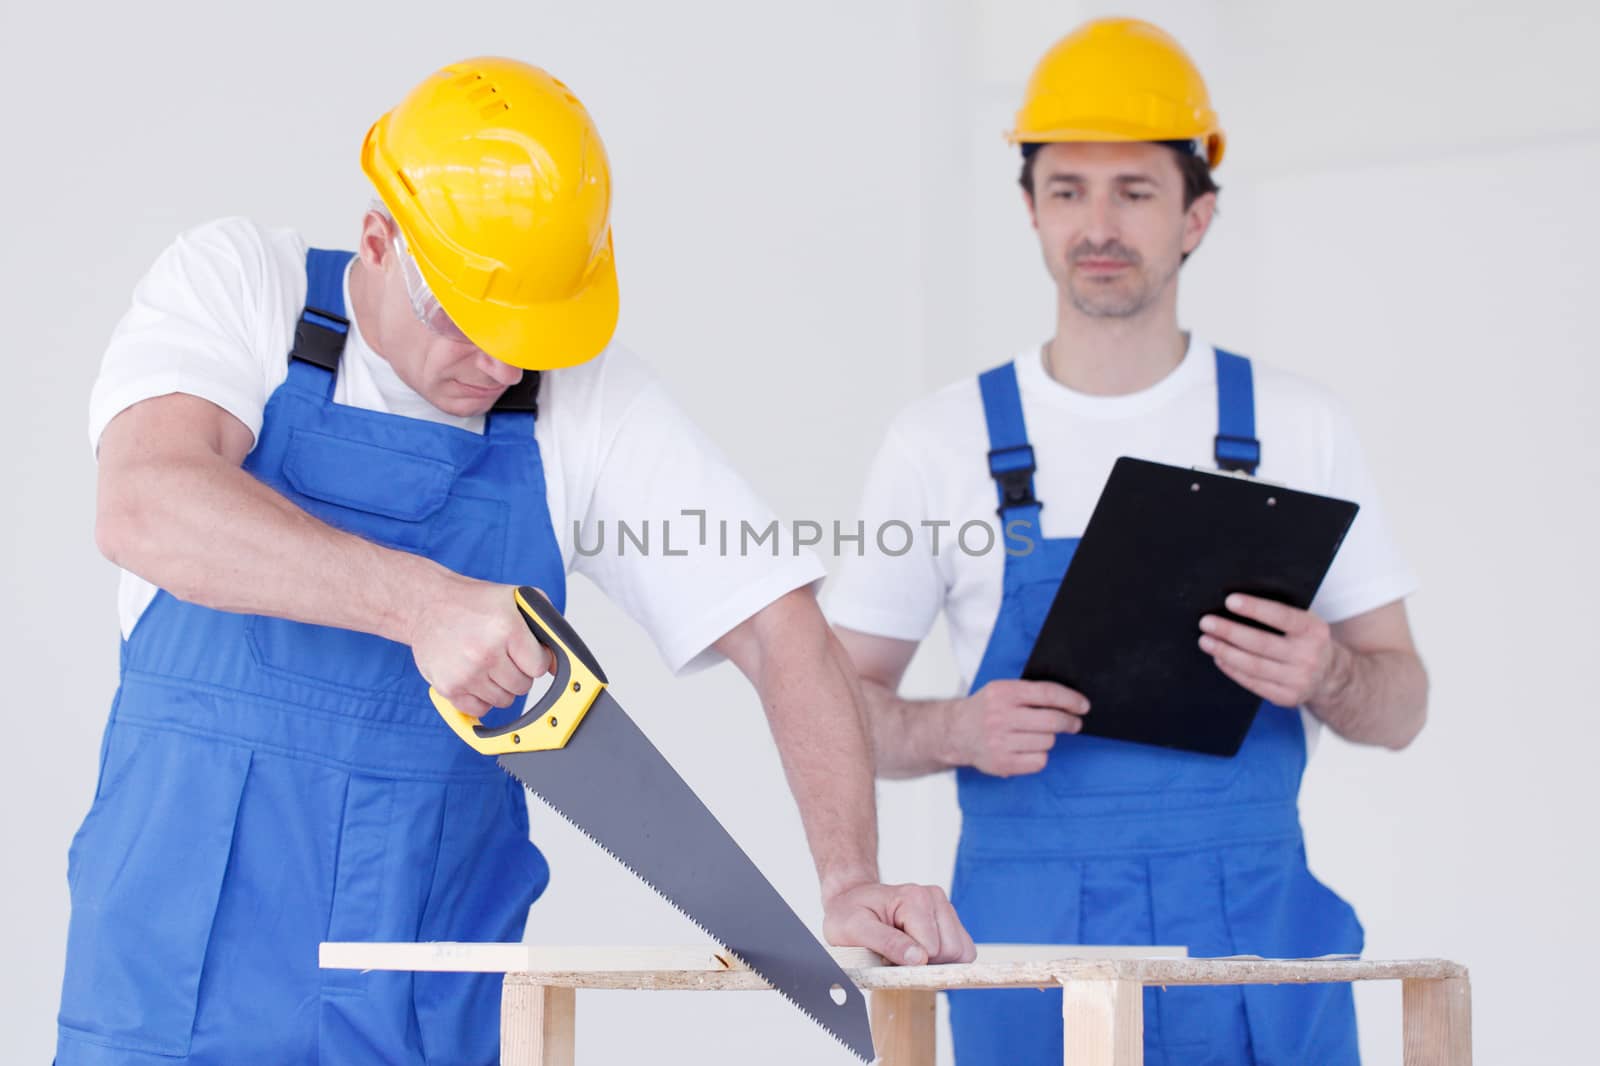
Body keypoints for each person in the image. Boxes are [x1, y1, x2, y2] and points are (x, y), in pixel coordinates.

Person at [58, 57, 972, 1066]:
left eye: (527, 340)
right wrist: (422, 605)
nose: (498, 368)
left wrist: (846, 878)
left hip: (428, 987)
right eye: (468, 324)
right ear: (380, 240)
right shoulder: (241, 289)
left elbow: (778, 623)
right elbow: (146, 503)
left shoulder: (583, 403)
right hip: (176, 972)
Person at [827, 18, 1428, 1066]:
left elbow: (1403, 700)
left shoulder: (1298, 426)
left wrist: (1327, 671)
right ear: (1028, 208)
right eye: (1066, 190)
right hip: (1025, 943)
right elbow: (829, 715)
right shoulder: (940, 443)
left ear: (1197, 213)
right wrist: (953, 729)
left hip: (1252, 939)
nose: (1097, 224)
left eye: (1134, 191)